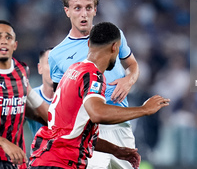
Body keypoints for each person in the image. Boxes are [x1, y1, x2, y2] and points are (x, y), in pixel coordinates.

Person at [29, 22, 170, 169]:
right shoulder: (92, 75)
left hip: (46, 157)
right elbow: (98, 113)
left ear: (88, 43)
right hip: (60, 163)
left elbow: (78, 132)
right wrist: (144, 110)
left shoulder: (73, 70)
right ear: (115, 47)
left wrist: (117, 151)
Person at [48, 0, 140, 168]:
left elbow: (133, 65)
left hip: (121, 125)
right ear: (67, 11)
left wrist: (128, 80)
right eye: (77, 8)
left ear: (95, 10)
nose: (84, 14)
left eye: (88, 8)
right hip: (90, 131)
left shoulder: (114, 35)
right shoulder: (57, 55)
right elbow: (60, 102)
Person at [0, 20, 49, 168]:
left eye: (8, 37)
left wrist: (58, 123)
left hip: (16, 160)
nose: (3, 41)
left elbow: (33, 106)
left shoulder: (22, 71)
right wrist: (2, 142)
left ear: (15, 45)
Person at [27, 48, 54, 137]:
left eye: (58, 64)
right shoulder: (28, 98)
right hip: (38, 150)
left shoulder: (73, 98)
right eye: (50, 63)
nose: (54, 68)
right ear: (40, 68)